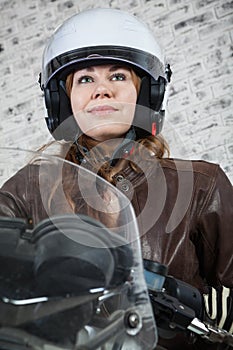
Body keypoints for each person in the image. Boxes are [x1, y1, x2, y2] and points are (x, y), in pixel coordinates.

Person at [0, 7, 232, 350]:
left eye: (118, 76)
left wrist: (208, 315)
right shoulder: (28, 189)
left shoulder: (201, 186)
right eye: (85, 78)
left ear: (147, 93)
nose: (102, 90)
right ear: (63, 101)